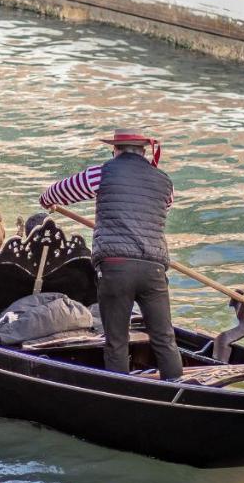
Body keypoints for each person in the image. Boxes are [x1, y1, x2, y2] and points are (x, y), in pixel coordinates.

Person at [39, 128, 182, 380]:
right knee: (164, 338)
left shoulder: (102, 172)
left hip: (116, 266)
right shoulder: (165, 182)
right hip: (153, 269)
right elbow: (161, 208)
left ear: (115, 150)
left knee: (116, 339)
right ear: (143, 152)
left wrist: (48, 202)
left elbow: (55, 193)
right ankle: (180, 390)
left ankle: (122, 391)